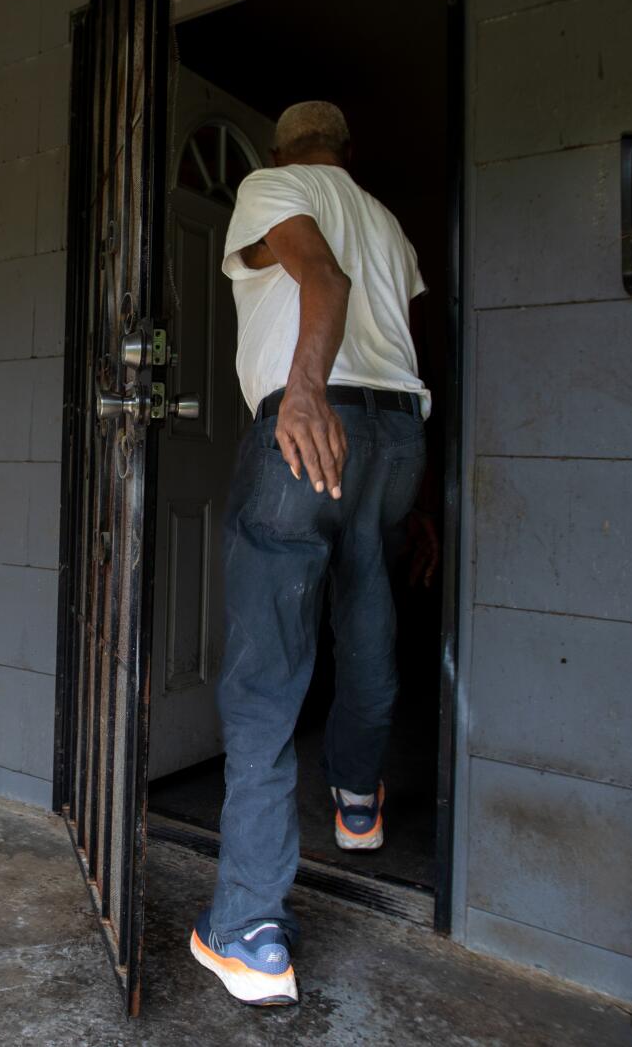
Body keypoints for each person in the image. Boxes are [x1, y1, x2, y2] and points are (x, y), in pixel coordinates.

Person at [190, 101, 430, 1006]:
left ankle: (250, 927)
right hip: (398, 437)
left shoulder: (272, 187)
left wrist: (301, 396)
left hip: (308, 427)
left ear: (287, 147)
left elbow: (320, 285)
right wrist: (421, 492)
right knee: (370, 617)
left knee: (265, 676)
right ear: (348, 147)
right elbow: (405, 343)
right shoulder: (389, 222)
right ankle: (358, 804)